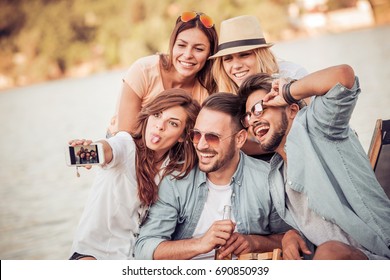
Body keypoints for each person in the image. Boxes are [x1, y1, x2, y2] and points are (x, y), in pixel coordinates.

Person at [237, 65, 390, 260]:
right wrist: (292, 235)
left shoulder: (318, 127)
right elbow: (320, 226)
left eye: (260, 108)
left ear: (292, 110)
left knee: (330, 252)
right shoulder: (276, 176)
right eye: (248, 116)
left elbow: (343, 76)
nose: (252, 120)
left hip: (379, 254)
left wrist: (288, 92)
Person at [134, 93, 291, 260]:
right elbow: (144, 249)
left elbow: (291, 237)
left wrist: (255, 243)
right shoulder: (175, 180)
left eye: (212, 137)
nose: (201, 145)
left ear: (239, 139)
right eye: (196, 135)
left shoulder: (268, 179)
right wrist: (200, 244)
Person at [69, 89, 200, 260]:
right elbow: (108, 147)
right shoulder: (126, 145)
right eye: (157, 115)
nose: (159, 126)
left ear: (183, 136)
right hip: (92, 255)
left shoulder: (174, 169)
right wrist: (91, 150)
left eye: (173, 123)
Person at [210, 15, 307, 157]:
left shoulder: (291, 75)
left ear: (260, 55)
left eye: (244, 55)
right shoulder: (226, 92)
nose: (236, 66)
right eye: (228, 59)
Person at [108, 11, 218, 136]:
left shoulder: (208, 88)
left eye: (198, 49)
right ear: (172, 45)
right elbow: (126, 135)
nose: (187, 55)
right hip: (125, 143)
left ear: (210, 53)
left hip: (171, 150)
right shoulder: (143, 70)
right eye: (181, 45)